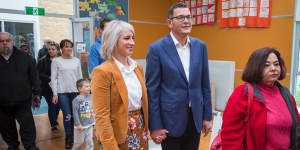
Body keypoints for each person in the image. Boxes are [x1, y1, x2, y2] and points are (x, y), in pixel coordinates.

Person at [145, 2, 212, 150]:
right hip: (170, 120)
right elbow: (152, 91)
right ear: (170, 22)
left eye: (189, 17)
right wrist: (155, 126)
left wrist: (207, 116)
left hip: (195, 118)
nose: (186, 21)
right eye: (181, 17)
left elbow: (205, 84)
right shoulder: (156, 49)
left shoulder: (201, 46)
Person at [221, 47, 299, 150]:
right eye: (266, 65)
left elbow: (296, 128)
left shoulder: (286, 94)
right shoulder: (243, 94)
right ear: (255, 68)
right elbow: (230, 137)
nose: (273, 68)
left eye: (276, 64)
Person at [91, 20, 148, 150]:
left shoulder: (137, 67)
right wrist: (110, 146)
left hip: (140, 130)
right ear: (113, 40)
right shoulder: (102, 71)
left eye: (133, 38)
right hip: (116, 134)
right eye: (127, 38)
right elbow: (101, 116)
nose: (132, 42)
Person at [0, 32, 40, 150]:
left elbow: (34, 76)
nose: (5, 43)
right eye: (2, 41)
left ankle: (30, 145)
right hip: (2, 102)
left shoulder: (25, 57)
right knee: (6, 126)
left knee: (27, 125)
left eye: (7, 40)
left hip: (23, 99)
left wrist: (36, 91)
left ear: (12, 42)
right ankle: (12, 145)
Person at [51, 39, 83, 149]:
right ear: (61, 48)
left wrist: (82, 92)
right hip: (62, 93)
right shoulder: (56, 61)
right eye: (66, 46)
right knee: (67, 115)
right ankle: (68, 138)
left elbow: (80, 78)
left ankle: (74, 135)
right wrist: (55, 94)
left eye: (70, 46)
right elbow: (54, 79)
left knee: (75, 116)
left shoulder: (76, 61)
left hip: (75, 93)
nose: (68, 48)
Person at [37, 41, 61, 131]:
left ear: (58, 50)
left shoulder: (62, 60)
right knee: (52, 104)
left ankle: (54, 119)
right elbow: (38, 73)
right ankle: (53, 124)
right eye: (49, 49)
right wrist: (48, 77)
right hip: (47, 87)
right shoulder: (42, 60)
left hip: (59, 86)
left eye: (53, 49)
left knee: (58, 105)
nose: (51, 51)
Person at [72, 79, 94, 150]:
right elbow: (75, 113)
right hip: (81, 126)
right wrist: (78, 124)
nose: (89, 88)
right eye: (87, 86)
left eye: (89, 86)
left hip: (90, 124)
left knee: (89, 141)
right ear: (80, 89)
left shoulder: (91, 96)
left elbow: (93, 109)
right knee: (79, 142)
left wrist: (94, 121)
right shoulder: (77, 100)